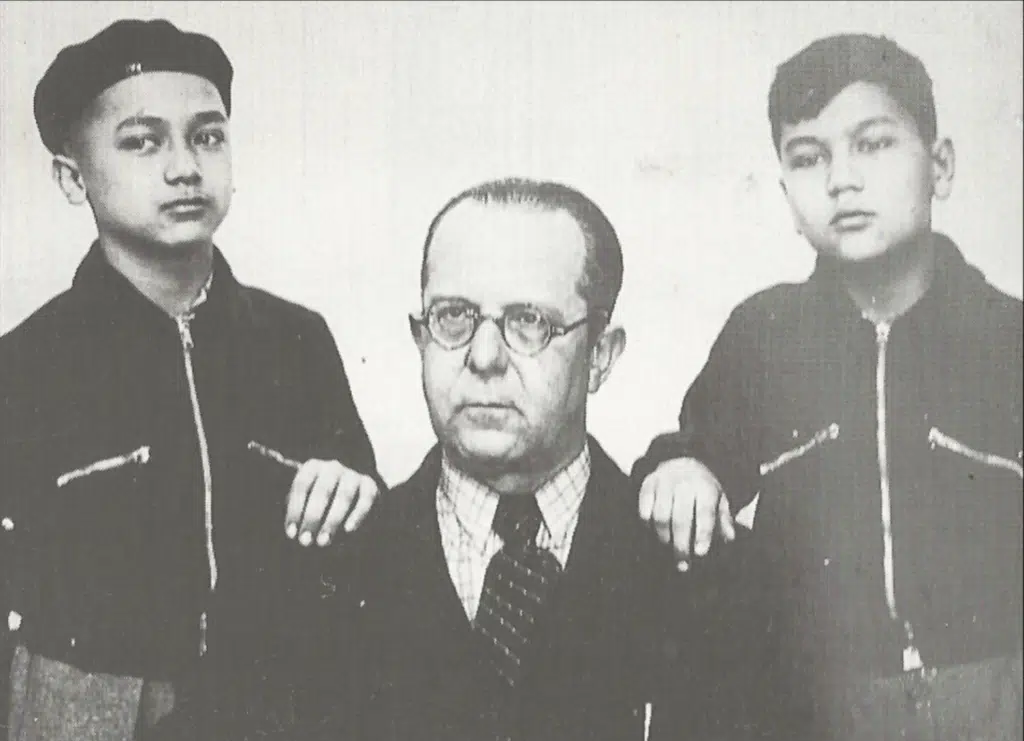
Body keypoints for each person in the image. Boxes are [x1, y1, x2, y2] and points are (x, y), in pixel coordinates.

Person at [632, 33, 1023, 739]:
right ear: (788, 197)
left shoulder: (1007, 337)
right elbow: (696, 449)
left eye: (873, 144)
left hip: (998, 700)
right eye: (809, 157)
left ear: (940, 166)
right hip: (816, 707)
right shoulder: (765, 336)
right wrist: (682, 468)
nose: (842, 179)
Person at [0, 19, 382, 741]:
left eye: (207, 137)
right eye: (143, 142)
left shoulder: (297, 341)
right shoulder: (22, 367)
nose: (185, 167)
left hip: (282, 711)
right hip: (85, 718)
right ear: (72, 177)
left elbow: (366, 544)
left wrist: (357, 493)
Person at [330, 177, 701, 741]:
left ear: (600, 356)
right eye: (453, 316)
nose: (484, 358)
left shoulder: (708, 579)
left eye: (529, 321)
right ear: (420, 338)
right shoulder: (327, 571)